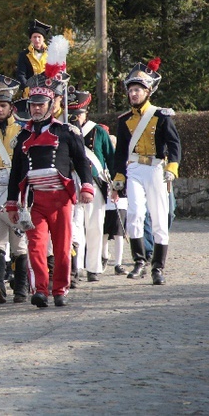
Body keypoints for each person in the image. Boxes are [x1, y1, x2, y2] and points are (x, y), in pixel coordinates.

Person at [6, 75, 95, 308]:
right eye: (33, 105)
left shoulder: (67, 132)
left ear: (50, 105)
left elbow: (82, 162)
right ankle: (40, 290)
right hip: (35, 201)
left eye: (40, 104)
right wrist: (12, 203)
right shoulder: (23, 136)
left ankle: (60, 289)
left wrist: (87, 186)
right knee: (35, 247)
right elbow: (15, 174)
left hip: (61, 199)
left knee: (63, 248)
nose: (36, 108)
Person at [111, 58, 181, 285]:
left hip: (155, 169)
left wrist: (172, 168)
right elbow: (121, 152)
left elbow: (174, 144)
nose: (133, 94)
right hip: (135, 170)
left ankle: (157, 267)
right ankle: (140, 260)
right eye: (131, 90)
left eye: (138, 90)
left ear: (147, 91)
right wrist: (119, 176)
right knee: (134, 215)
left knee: (160, 218)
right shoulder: (124, 121)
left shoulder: (161, 116)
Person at [0, 75, 29, 304]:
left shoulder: (22, 130)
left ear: (11, 107)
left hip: (15, 190)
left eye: (3, 105)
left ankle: (21, 289)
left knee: (19, 243)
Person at [67, 89, 114, 283]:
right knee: (74, 227)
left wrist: (118, 185)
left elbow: (110, 158)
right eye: (72, 114)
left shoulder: (98, 131)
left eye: (79, 114)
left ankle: (93, 267)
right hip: (71, 182)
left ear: (86, 112)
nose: (76, 118)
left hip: (94, 183)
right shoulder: (65, 130)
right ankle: (75, 266)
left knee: (95, 226)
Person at [15, 19, 51, 92]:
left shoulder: (51, 54)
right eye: (34, 37)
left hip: (48, 91)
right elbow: (21, 75)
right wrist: (28, 88)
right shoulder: (24, 55)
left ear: (43, 38)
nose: (37, 40)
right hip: (30, 92)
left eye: (39, 37)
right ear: (31, 39)